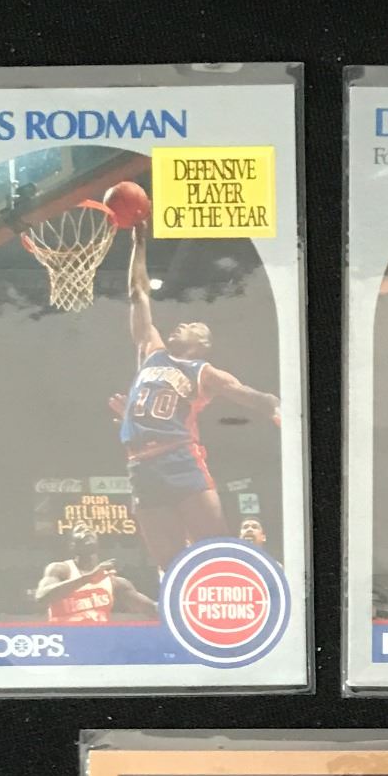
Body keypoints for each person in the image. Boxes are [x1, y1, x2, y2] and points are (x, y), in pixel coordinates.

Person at [118, 222, 281, 572]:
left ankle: (235, 592)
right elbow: (138, 292)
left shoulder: (205, 372)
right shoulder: (152, 352)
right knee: (169, 564)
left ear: (203, 343)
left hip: (179, 458)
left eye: (191, 325)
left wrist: (275, 407)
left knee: (213, 550)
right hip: (140, 464)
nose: (180, 325)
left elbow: (249, 396)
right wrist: (138, 242)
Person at [32, 523, 156, 623]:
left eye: (90, 530)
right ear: (72, 545)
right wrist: (89, 577)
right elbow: (41, 597)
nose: (87, 531)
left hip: (97, 641)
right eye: (80, 530)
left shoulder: (114, 581)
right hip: (65, 639)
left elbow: (152, 609)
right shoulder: (60, 569)